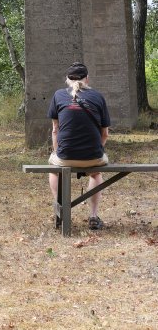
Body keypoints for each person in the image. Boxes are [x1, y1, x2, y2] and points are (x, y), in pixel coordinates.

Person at [47, 62, 110, 230]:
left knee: (54, 169)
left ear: (67, 79)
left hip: (65, 156)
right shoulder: (98, 97)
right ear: (87, 79)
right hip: (93, 156)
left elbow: (55, 130)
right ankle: (93, 216)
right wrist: (97, 150)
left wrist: (57, 152)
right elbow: (105, 134)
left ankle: (60, 211)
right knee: (95, 174)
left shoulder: (59, 95)